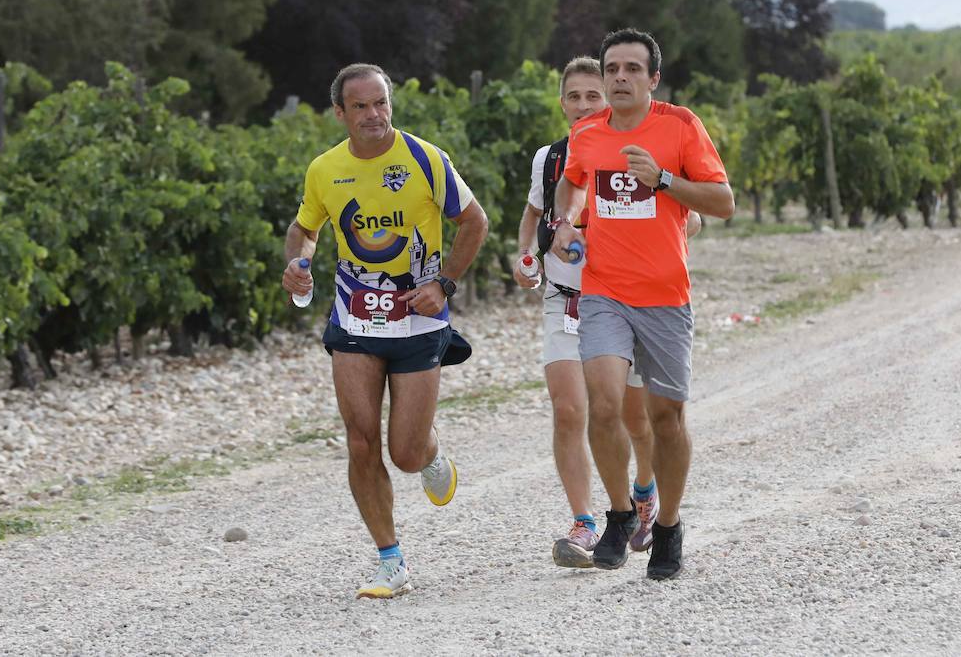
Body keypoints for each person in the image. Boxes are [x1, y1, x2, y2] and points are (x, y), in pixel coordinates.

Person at [282, 63, 488, 600]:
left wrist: (443, 283)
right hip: (354, 315)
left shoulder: (425, 159)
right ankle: (390, 559)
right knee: (359, 439)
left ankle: (431, 454)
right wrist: (299, 261)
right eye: (361, 106)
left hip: (418, 318)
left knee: (404, 451)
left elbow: (475, 222)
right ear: (340, 113)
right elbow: (305, 229)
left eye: (381, 103)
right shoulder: (325, 169)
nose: (374, 115)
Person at [553, 29, 734, 581]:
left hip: (665, 296)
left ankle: (670, 526)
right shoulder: (587, 133)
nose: (620, 78)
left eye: (633, 68)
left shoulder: (680, 126)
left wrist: (663, 181)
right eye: (612, 69)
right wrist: (565, 220)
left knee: (666, 420)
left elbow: (723, 202)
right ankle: (618, 513)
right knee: (603, 405)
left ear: (653, 78)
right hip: (604, 290)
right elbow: (571, 184)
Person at [514, 57, 703, 569]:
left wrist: (654, 233)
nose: (583, 106)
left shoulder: (654, 136)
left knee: (643, 418)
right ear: (561, 103)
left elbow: (694, 217)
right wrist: (531, 253)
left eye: (591, 96)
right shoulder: (552, 159)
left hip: (645, 297)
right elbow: (538, 215)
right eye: (573, 97)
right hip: (570, 298)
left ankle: (646, 497)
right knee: (579, 409)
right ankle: (589, 521)